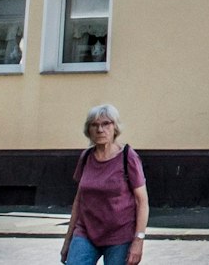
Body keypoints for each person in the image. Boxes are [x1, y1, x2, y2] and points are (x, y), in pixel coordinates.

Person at [63, 104, 149, 265]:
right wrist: (68, 240)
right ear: (88, 130)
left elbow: (142, 201)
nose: (100, 130)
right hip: (86, 233)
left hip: (120, 235)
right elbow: (79, 200)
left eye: (106, 124)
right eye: (94, 125)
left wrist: (138, 240)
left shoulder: (128, 157)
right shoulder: (86, 157)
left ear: (115, 127)